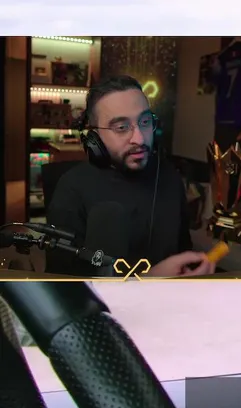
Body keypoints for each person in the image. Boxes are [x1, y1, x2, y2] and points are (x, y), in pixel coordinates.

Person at [45, 74, 214, 279]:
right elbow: (62, 283)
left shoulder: (169, 176)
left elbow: (181, 247)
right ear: (94, 137)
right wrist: (148, 280)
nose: (139, 139)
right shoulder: (71, 189)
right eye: (121, 127)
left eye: (145, 121)